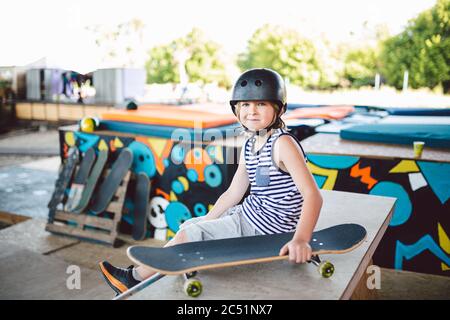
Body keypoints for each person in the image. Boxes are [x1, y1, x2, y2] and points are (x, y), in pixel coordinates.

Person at [99, 68, 323, 295]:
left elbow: (313, 195)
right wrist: (208, 218)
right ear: (236, 109)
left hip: (268, 229)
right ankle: (153, 274)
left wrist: (301, 240)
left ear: (279, 108)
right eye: (245, 105)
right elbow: (234, 192)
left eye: (261, 104)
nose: (252, 111)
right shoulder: (250, 144)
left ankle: (132, 278)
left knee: (188, 237)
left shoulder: (283, 144)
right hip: (247, 215)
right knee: (189, 227)